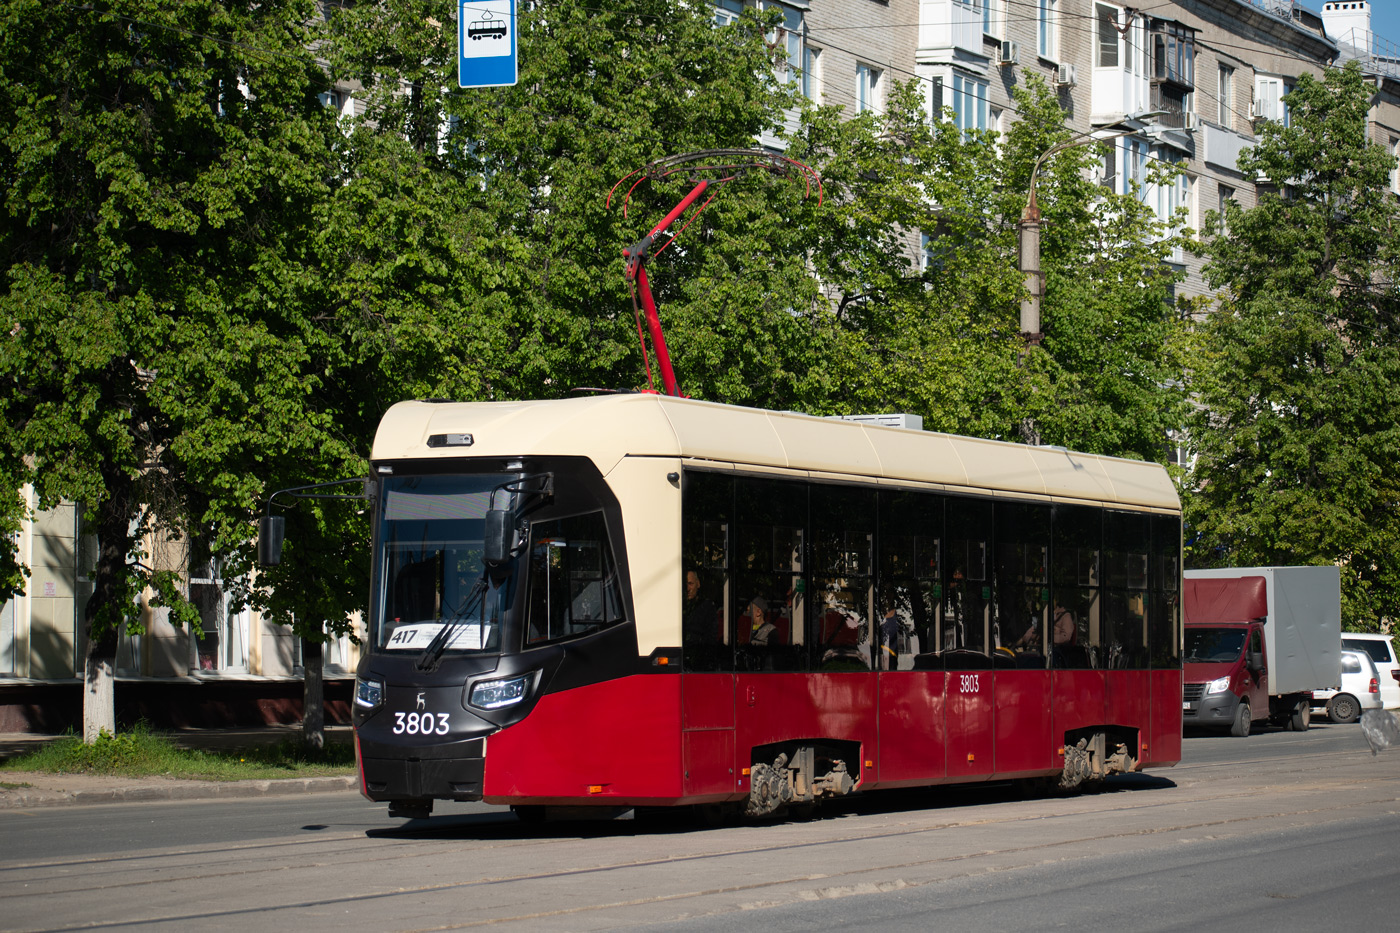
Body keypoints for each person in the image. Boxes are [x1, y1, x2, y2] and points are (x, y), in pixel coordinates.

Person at [682, 569, 718, 646]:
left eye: (690, 584)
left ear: (698, 584)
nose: (687, 589)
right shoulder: (678, 607)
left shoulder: (707, 608)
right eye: (685, 584)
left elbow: (711, 637)